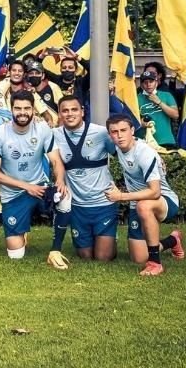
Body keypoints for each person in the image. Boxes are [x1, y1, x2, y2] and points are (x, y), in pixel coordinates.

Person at [0, 91, 70, 264]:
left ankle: (55, 250)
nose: (22, 112)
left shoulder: (43, 129)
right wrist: (26, 186)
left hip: (41, 187)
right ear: (11, 109)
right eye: (18, 108)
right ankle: (21, 233)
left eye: (27, 108)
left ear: (33, 110)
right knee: (15, 255)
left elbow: (56, 160)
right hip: (14, 194)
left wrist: (60, 180)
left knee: (65, 198)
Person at [106, 114, 185, 276]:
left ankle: (155, 264)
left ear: (132, 130)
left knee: (144, 205)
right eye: (114, 132)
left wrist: (120, 196)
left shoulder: (144, 153)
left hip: (164, 200)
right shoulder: (118, 147)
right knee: (138, 257)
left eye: (123, 130)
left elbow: (155, 192)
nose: (119, 135)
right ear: (110, 135)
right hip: (139, 202)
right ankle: (173, 240)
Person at [53, 96, 118, 264]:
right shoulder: (54, 135)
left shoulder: (101, 132)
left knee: (103, 258)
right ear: (59, 114)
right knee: (85, 256)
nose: (70, 114)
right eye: (65, 110)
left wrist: (152, 154)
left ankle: (110, 239)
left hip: (103, 203)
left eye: (74, 109)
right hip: (77, 206)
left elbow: (125, 149)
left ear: (82, 112)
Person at [136, 70, 179, 148]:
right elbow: (130, 120)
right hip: (144, 142)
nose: (148, 84)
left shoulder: (166, 95)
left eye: (151, 81)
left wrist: (159, 102)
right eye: (145, 82)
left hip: (166, 140)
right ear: (141, 85)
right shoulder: (136, 98)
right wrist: (140, 123)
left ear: (156, 82)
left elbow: (175, 115)